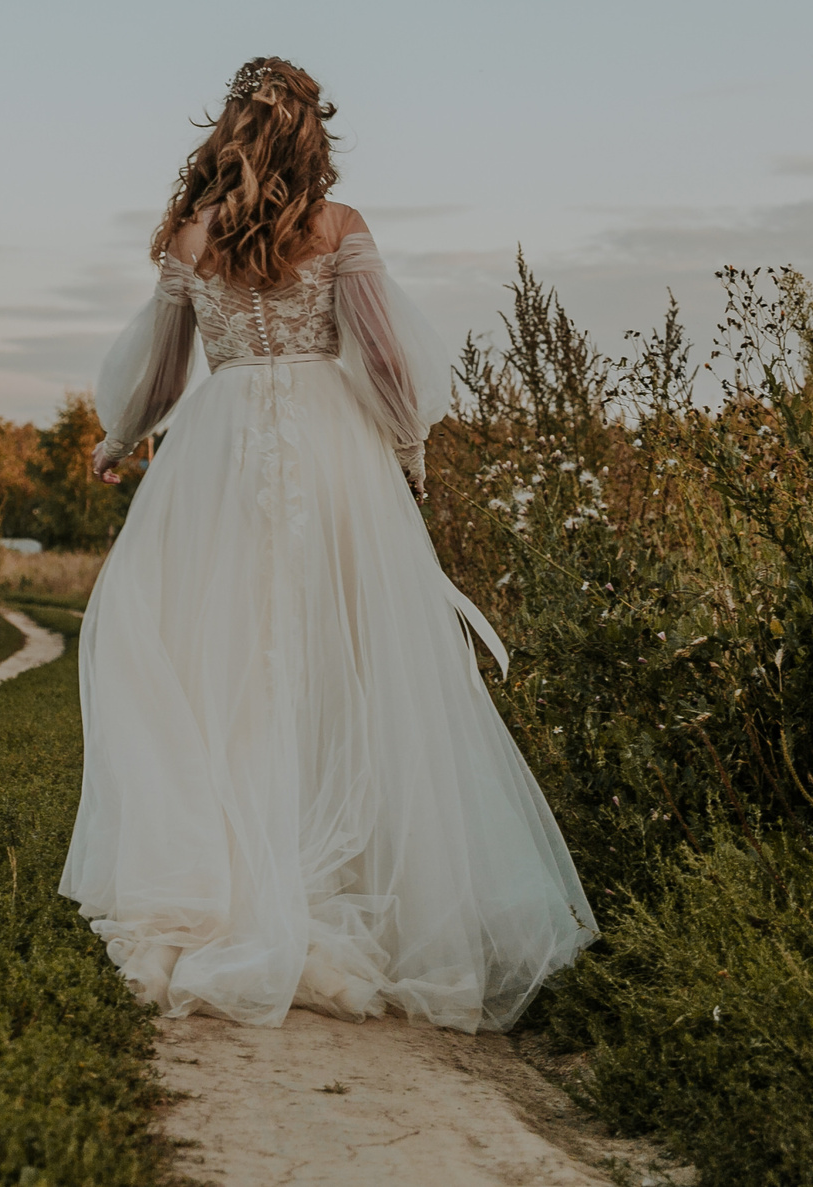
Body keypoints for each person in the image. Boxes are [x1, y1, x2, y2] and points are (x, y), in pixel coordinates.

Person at [57, 57, 596, 1033]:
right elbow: (387, 356)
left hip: (218, 448)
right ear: (313, 133)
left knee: (217, 654)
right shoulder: (339, 227)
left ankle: (226, 870)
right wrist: (408, 444)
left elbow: (163, 372)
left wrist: (117, 439)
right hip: (329, 447)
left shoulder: (192, 233)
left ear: (226, 129)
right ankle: (338, 871)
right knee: (347, 654)